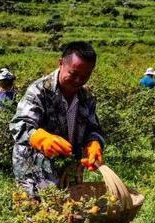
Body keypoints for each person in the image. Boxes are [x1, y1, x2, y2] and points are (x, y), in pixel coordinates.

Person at [9, 41, 105, 198]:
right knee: (37, 214)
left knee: (70, 212)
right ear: (61, 63)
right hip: (34, 168)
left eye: (85, 76)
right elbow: (19, 123)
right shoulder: (39, 90)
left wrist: (94, 143)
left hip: (69, 167)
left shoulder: (87, 97)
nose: (78, 81)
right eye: (73, 74)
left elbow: (93, 128)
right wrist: (38, 137)